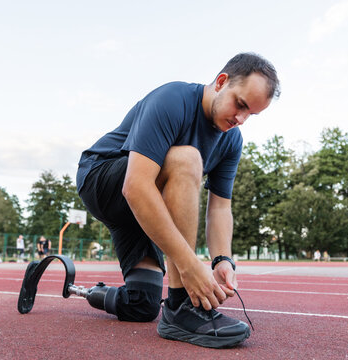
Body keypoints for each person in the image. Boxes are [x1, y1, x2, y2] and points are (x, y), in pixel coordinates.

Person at [75, 53, 280, 348]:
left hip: (143, 206)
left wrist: (222, 259)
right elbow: (135, 186)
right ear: (221, 82)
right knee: (186, 158)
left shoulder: (232, 140)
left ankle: (80, 291)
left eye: (252, 115)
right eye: (241, 105)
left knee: (142, 305)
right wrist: (189, 265)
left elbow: (220, 207)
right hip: (102, 179)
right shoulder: (174, 99)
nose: (241, 119)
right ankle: (184, 306)